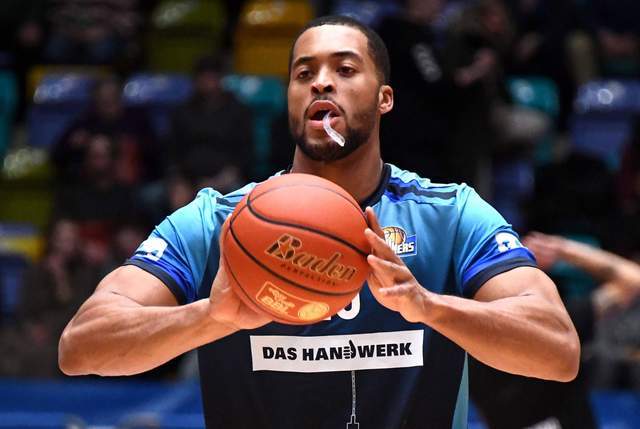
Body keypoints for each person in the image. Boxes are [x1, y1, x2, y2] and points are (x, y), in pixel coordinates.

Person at [58, 16, 580, 428]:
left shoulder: (451, 215)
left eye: (345, 70)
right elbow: (81, 347)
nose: (321, 82)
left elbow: (557, 351)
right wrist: (210, 318)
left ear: (384, 98)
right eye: (303, 74)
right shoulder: (216, 221)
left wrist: (429, 306)